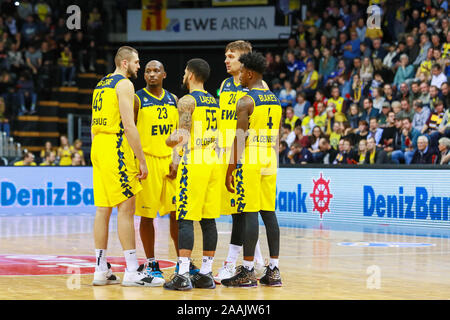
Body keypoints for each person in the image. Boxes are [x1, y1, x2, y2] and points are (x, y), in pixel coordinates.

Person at [91, 46, 158, 287]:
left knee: (102, 209)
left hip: (98, 146)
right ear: (124, 63)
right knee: (127, 208)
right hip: (115, 145)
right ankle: (131, 270)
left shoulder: (101, 84)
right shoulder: (125, 84)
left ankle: (100, 269)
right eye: (137, 62)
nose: (139, 66)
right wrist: (141, 159)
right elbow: (129, 126)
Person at [223, 51, 282, 287]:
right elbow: (278, 135)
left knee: (249, 213)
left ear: (249, 73)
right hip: (270, 155)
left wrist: (230, 169)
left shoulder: (246, 101)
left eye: (241, 73)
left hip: (252, 154)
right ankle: (274, 270)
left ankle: (247, 271)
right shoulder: (276, 99)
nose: (239, 77)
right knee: (269, 212)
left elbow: (239, 139)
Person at [164, 58, 221, 290]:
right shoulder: (214, 101)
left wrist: (170, 149)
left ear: (190, 74)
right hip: (212, 160)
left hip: (195, 159)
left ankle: (183, 274)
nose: (183, 75)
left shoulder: (187, 100)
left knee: (184, 217)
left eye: (185, 72)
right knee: (208, 220)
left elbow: (182, 135)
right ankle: (206, 274)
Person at [214, 41, 266, 284]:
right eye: (225, 56)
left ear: (244, 60)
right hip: (226, 153)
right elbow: (221, 119)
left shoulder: (256, 87)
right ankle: (258, 262)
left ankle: (231, 263)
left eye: (231, 56)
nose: (226, 60)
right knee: (237, 212)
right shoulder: (224, 85)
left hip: (246, 155)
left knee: (241, 212)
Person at [133, 60, 179, 280]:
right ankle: (151, 262)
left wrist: (177, 159)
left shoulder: (174, 100)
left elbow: (180, 132)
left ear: (164, 74)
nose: (152, 74)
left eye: (156, 71)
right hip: (147, 161)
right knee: (146, 215)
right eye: (148, 71)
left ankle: (183, 263)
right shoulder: (137, 99)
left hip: (169, 162)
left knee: (177, 215)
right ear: (144, 76)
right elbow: (129, 132)